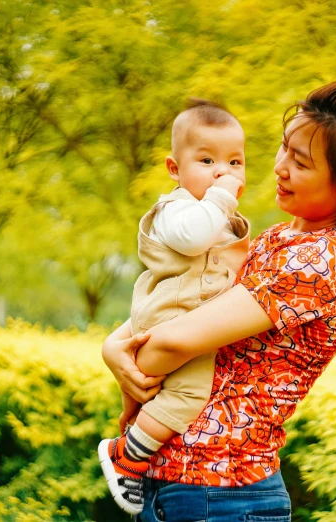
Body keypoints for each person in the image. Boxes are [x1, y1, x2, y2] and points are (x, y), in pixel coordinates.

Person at [102, 77, 336, 522]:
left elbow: (173, 342)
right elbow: (185, 298)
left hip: (223, 495)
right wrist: (113, 348)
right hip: (183, 486)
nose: (280, 167)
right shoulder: (278, 239)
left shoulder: (320, 261)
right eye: (284, 148)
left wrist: (133, 365)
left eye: (300, 163)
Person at [98, 99, 251, 515]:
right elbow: (191, 239)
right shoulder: (176, 209)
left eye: (235, 162)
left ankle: (132, 424)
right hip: (171, 315)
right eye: (207, 160)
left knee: (153, 388)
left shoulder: (216, 216)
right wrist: (221, 199)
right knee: (189, 392)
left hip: (182, 316)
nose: (223, 172)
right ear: (174, 169)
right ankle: (126, 457)